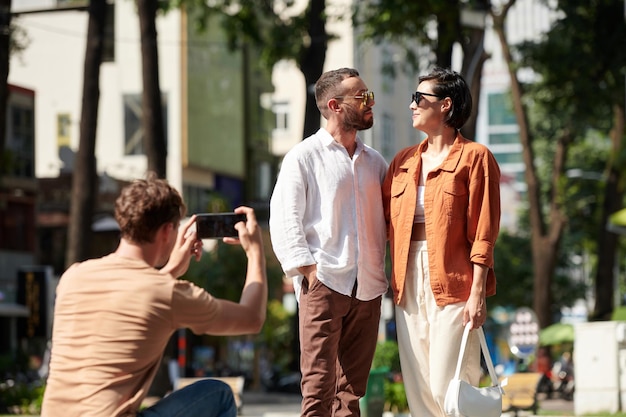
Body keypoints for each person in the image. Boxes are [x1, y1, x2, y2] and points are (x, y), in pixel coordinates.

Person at [41, 174, 268, 417]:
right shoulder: (166, 292)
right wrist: (255, 251)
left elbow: (131, 294)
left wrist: (170, 271)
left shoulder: (73, 277)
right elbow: (252, 319)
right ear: (167, 230)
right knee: (218, 393)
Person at [382, 67, 501, 417]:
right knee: (418, 392)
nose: (412, 105)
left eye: (420, 98)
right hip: (407, 281)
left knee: (447, 387)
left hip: (455, 283)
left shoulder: (475, 157)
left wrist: (478, 292)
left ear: (445, 105)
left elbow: (484, 231)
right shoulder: (402, 162)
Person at [269, 67, 388, 417]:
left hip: (367, 288)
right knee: (318, 389)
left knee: (352, 394)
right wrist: (308, 270)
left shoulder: (375, 162)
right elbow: (284, 216)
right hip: (324, 284)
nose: (371, 102)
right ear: (335, 105)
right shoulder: (303, 157)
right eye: (362, 96)